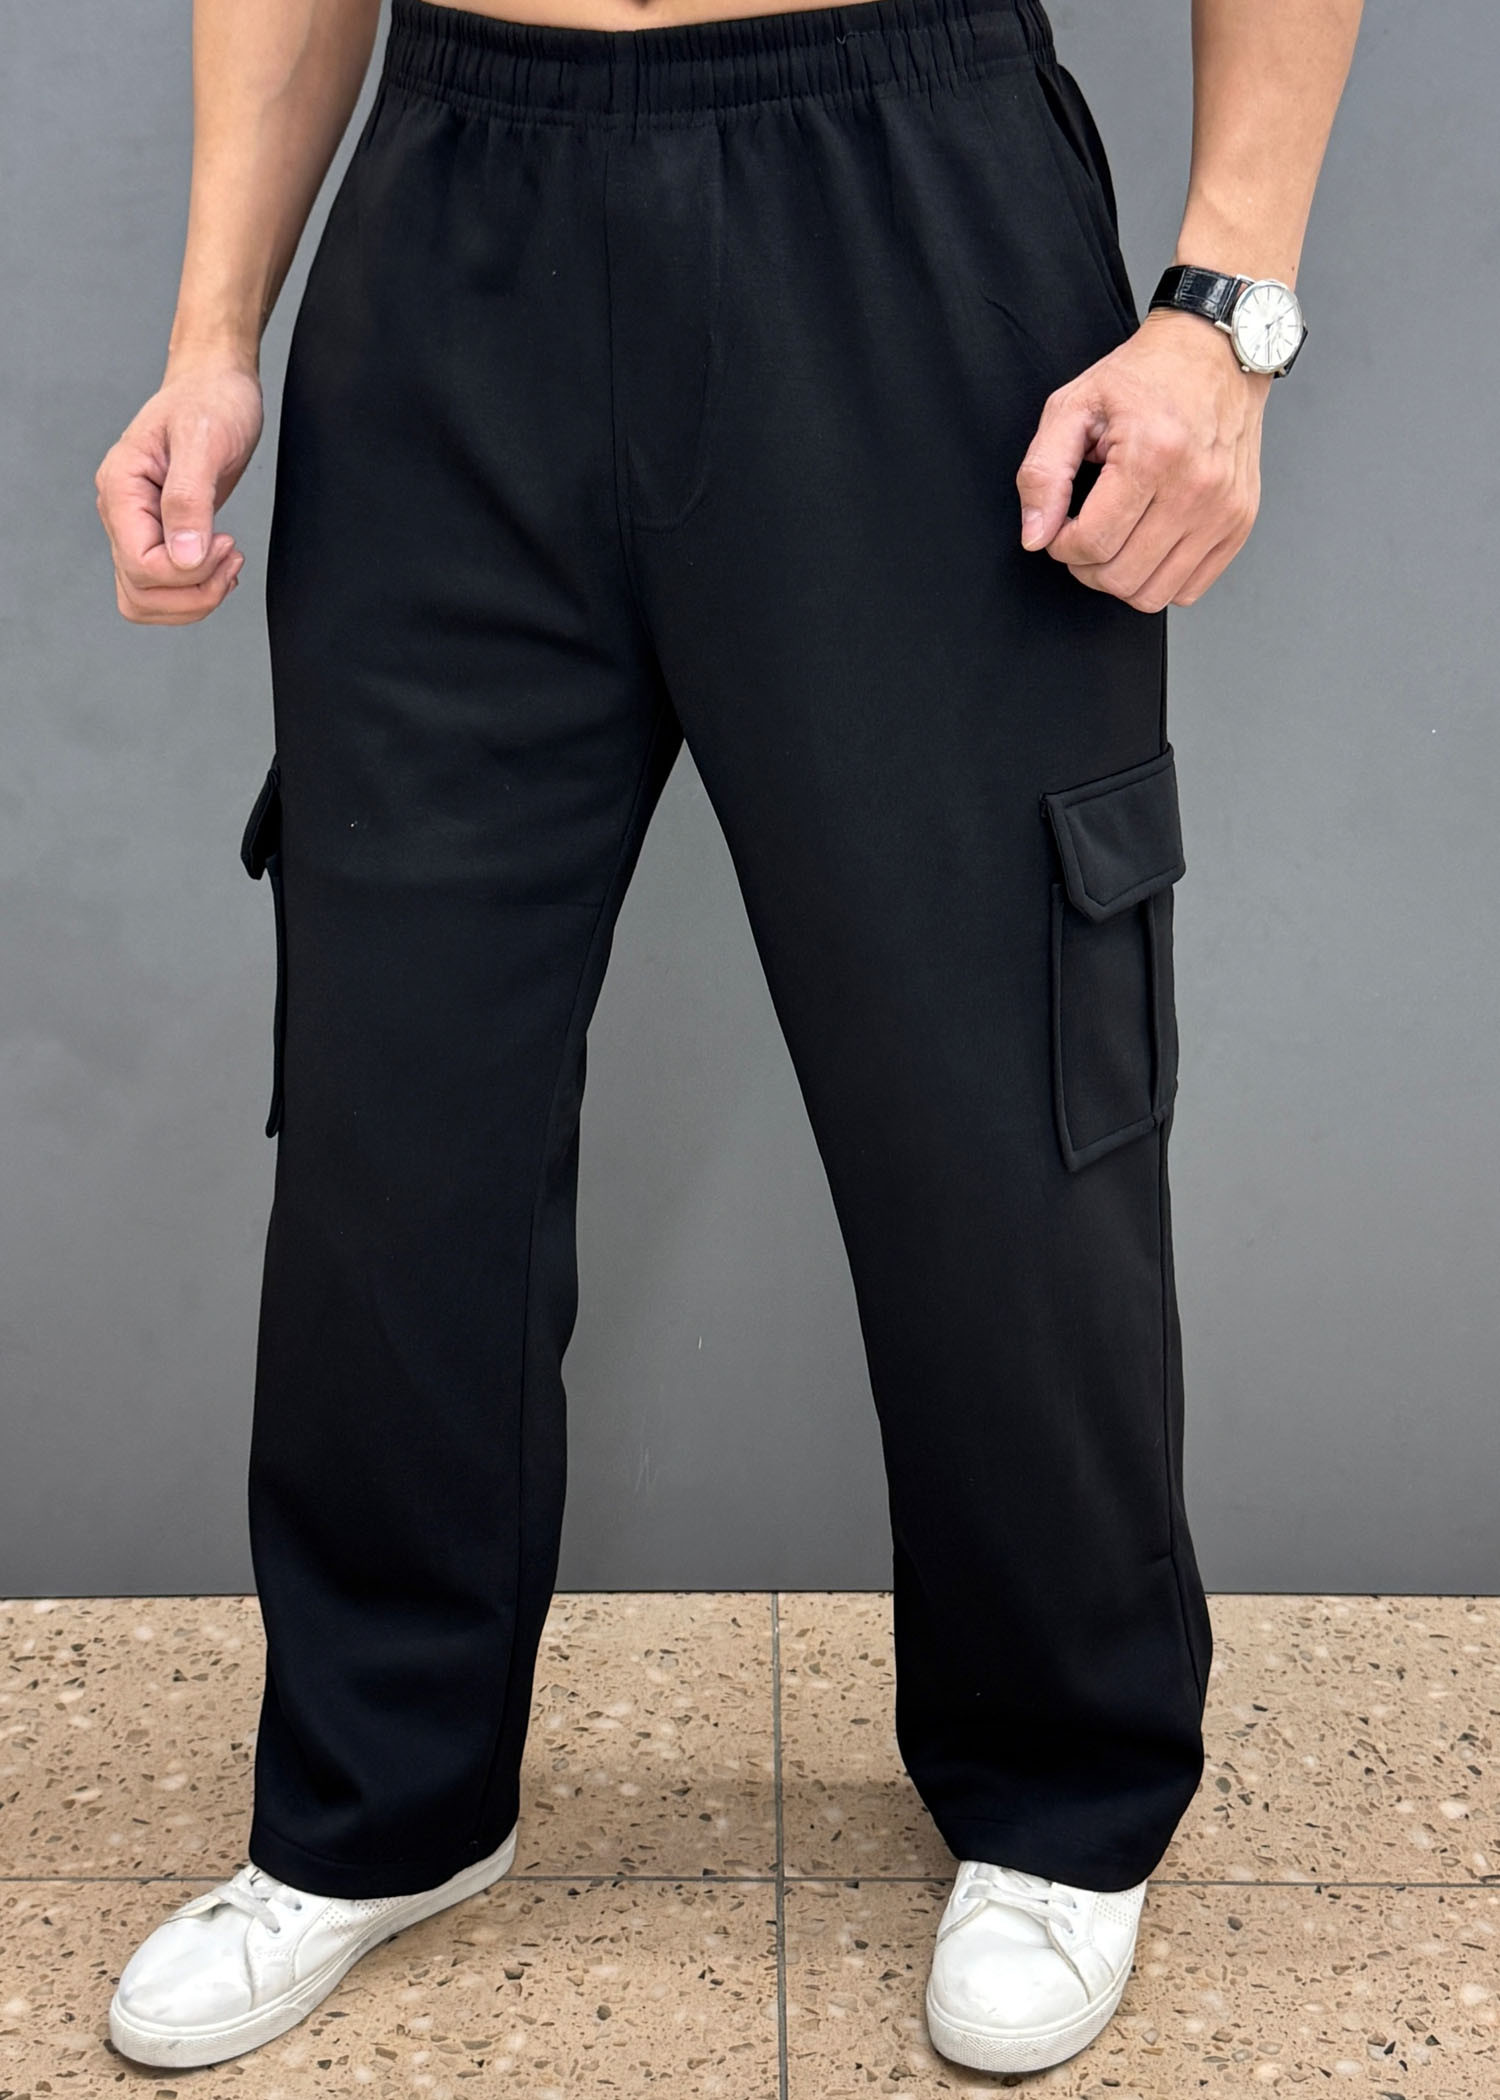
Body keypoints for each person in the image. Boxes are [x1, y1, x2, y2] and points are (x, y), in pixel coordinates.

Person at [92, 0, 1361, 2074]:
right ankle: (376, 1799)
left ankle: (1062, 1792)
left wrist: (1227, 310)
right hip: (455, 223)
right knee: (397, 1097)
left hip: (900, 180)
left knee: (994, 1079)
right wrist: (215, 331)